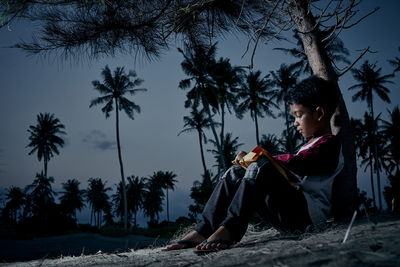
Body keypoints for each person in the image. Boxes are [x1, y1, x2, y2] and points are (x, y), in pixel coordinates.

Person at [164, 76, 344, 253]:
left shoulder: (329, 144)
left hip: (307, 218)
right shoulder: (308, 144)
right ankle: (204, 229)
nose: (295, 122)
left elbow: (299, 163)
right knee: (236, 171)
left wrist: (256, 157)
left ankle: (231, 229)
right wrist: (250, 161)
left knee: (260, 166)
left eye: (299, 116)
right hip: (289, 213)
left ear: (319, 113)